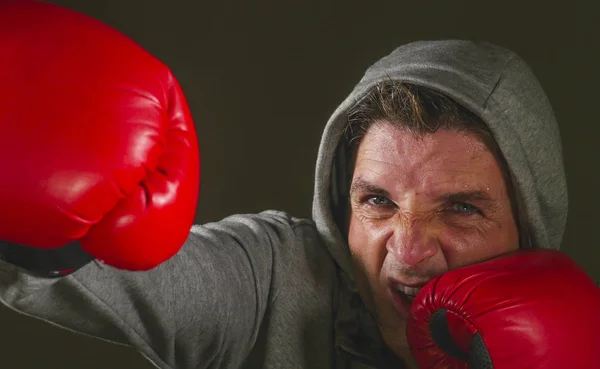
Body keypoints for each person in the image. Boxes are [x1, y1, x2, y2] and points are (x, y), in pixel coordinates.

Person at [1, 1, 599, 369]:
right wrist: (37, 214)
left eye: (462, 209)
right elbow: (121, 278)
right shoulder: (275, 285)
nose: (408, 251)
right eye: (378, 202)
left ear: (531, 221)